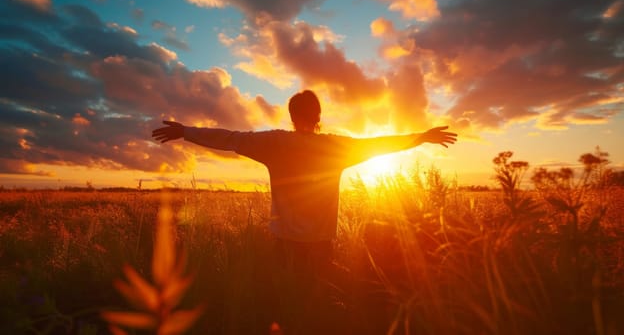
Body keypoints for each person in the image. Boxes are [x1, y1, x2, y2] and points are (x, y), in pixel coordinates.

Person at [152, 90, 457, 273]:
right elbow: (379, 144)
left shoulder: (274, 143)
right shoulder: (335, 148)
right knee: (316, 309)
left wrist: (186, 131)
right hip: (321, 244)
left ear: (291, 115)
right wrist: (420, 138)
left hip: (285, 242)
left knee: (287, 304)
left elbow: (229, 139)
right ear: (319, 116)